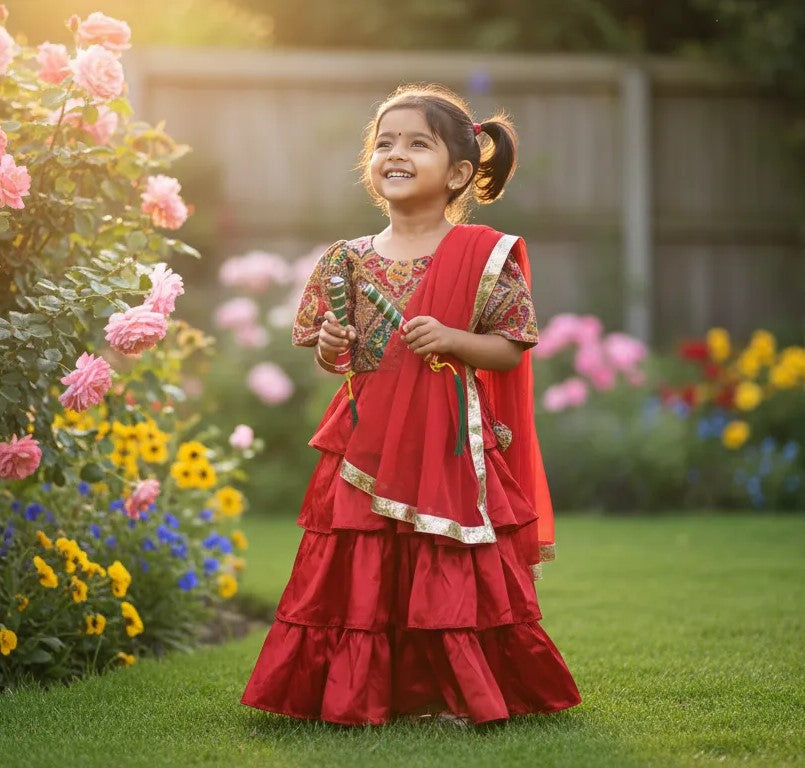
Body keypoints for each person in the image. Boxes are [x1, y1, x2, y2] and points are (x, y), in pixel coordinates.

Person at [241, 83, 582, 727]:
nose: (394, 153)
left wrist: (455, 340)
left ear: (459, 172)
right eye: (384, 142)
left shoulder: (485, 259)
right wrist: (332, 346)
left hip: (449, 444)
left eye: (416, 144)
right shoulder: (346, 260)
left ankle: (453, 691)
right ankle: (362, 693)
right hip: (365, 438)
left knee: (445, 559)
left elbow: (510, 350)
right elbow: (334, 358)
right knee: (362, 560)